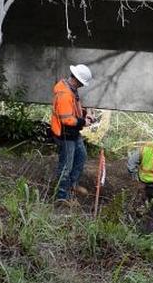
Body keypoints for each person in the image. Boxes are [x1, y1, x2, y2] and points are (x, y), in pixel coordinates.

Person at [51, 63, 94, 202]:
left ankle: (72, 185)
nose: (82, 85)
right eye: (82, 83)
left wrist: (85, 115)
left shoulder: (72, 90)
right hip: (65, 134)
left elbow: (74, 110)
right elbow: (67, 119)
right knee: (66, 166)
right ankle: (62, 198)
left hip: (73, 132)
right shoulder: (64, 94)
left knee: (81, 157)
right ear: (76, 79)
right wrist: (83, 122)